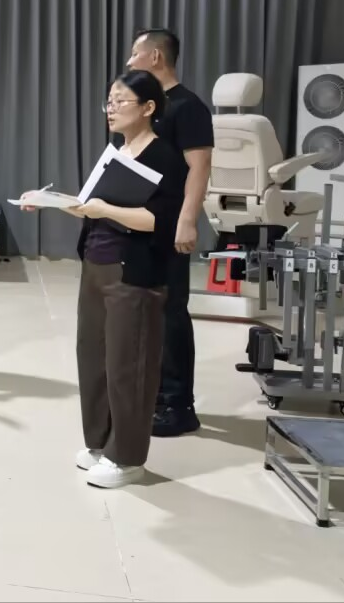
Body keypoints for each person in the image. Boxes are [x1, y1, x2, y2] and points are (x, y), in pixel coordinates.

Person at [22, 70, 185, 488]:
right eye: (108, 102)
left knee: (128, 365)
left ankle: (127, 458)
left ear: (148, 108)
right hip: (97, 264)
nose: (110, 109)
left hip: (135, 272)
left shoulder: (164, 157)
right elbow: (87, 204)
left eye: (120, 101)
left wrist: (105, 210)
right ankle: (99, 443)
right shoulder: (116, 151)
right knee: (94, 358)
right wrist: (48, 201)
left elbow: (159, 221)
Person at [125, 29, 213, 437]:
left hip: (170, 222)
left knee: (171, 311)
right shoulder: (147, 108)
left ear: (156, 57)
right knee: (147, 310)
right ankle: (156, 396)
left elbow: (199, 167)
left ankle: (179, 405)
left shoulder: (187, 107)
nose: (130, 62)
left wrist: (188, 219)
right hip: (141, 220)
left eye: (135, 54)